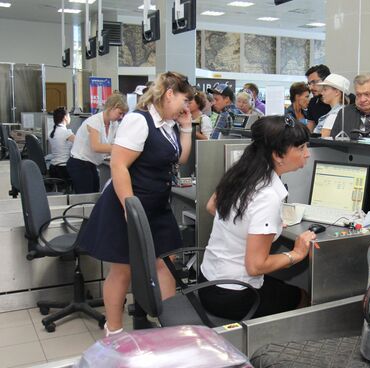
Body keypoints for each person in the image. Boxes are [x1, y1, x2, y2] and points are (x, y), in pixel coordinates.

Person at [79, 71, 194, 336]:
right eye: (183, 101)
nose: (185, 107)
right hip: (129, 204)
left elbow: (179, 158)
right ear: (169, 94)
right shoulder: (138, 121)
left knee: (166, 262)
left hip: (157, 207)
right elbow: (119, 165)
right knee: (123, 269)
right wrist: (130, 209)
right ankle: (114, 332)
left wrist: (186, 128)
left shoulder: (167, 125)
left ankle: (168, 326)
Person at [199, 115, 316, 320]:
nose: (307, 154)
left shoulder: (241, 172)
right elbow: (255, 267)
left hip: (208, 281)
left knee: (280, 287)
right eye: (301, 148)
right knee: (303, 297)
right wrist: (296, 253)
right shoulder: (268, 195)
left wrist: (256, 226)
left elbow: (211, 207)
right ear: (278, 155)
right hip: (233, 294)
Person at [66, 93, 128, 193]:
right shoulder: (95, 121)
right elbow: (96, 147)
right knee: (86, 197)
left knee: (94, 194)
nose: (121, 117)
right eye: (120, 113)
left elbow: (113, 143)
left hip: (91, 163)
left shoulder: (114, 124)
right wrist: (120, 148)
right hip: (79, 163)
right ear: (112, 107)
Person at [330, 72, 370, 138]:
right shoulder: (345, 113)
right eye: (358, 95)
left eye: (367, 94)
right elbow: (334, 143)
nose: (362, 100)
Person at [48, 106, 75, 182]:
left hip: (53, 168)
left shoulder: (50, 132)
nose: (70, 118)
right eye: (69, 116)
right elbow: (81, 143)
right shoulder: (67, 133)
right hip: (64, 169)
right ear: (65, 117)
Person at [305, 64, 332, 131]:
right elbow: (309, 130)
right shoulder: (313, 102)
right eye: (309, 83)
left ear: (326, 80)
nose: (310, 88)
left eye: (314, 82)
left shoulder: (345, 101)